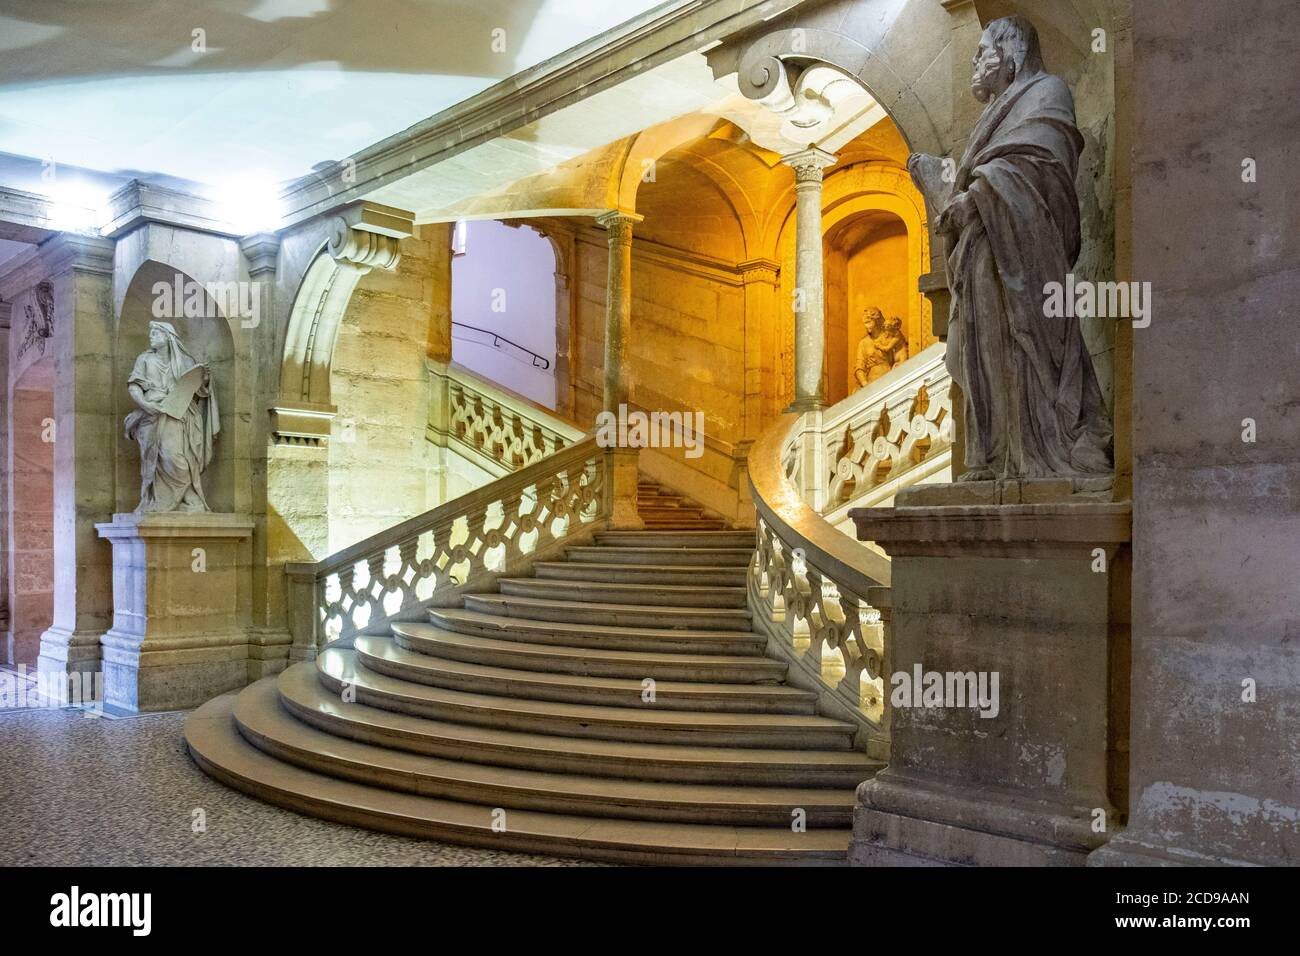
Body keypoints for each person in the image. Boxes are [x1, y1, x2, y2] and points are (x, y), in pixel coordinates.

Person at [907, 16, 1112, 480]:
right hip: (984, 250)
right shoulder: (993, 113)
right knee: (986, 352)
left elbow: (1045, 164)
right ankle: (995, 454)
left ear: (1012, 52)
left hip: (1025, 247)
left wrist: (976, 195)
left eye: (983, 51)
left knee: (1032, 346)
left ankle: (1047, 451)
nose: (976, 62)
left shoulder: (1047, 91)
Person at [125, 321, 220, 512]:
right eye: (151, 333)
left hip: (177, 414)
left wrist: (205, 379)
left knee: (176, 457)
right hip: (151, 415)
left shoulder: (185, 362)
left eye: (156, 333)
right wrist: (145, 404)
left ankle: (185, 495)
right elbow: (134, 386)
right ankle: (155, 499)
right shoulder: (144, 360)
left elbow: (197, 390)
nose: (151, 336)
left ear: (168, 337)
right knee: (154, 458)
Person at [853, 307, 892, 387]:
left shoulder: (889, 337)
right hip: (871, 382)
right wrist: (864, 383)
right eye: (865, 323)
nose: (866, 326)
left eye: (868, 322)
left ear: (876, 320)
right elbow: (859, 367)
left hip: (889, 378)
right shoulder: (863, 343)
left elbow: (901, 358)